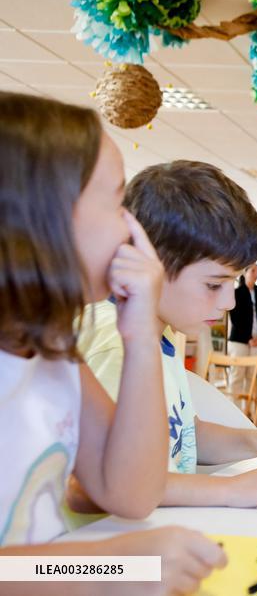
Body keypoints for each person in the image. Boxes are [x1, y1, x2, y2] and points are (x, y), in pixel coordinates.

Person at [0, 92, 226, 594]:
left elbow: (132, 493)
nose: (131, 228)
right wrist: (111, 565)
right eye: (116, 203)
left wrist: (142, 336)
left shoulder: (53, 348)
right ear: (46, 216)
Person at [77, 160, 257, 510]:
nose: (229, 301)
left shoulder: (161, 335)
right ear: (148, 264)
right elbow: (110, 482)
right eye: (214, 284)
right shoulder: (115, 344)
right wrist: (231, 490)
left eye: (233, 282)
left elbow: (186, 434)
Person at [227, 262, 257, 394]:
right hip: (239, 341)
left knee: (252, 376)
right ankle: (233, 406)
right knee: (237, 374)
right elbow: (235, 318)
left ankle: (249, 407)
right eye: (253, 271)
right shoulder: (236, 293)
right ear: (245, 272)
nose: (256, 274)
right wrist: (248, 338)